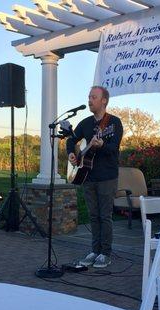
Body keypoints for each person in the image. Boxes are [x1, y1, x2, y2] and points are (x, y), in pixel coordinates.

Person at [66, 86, 123, 268]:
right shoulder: (85, 123)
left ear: (104, 100)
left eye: (93, 97)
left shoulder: (114, 123)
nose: (90, 100)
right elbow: (70, 140)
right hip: (87, 175)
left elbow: (113, 148)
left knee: (104, 216)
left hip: (107, 176)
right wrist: (71, 154)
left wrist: (101, 145)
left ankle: (105, 253)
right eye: (89, 97)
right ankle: (95, 250)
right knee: (93, 215)